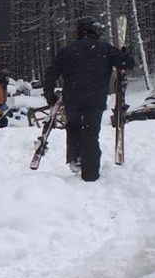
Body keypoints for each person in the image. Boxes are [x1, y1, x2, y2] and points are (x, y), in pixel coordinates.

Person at [43, 16, 135, 181]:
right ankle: (90, 173)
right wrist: (124, 54)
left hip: (72, 99)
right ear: (94, 31)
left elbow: (51, 73)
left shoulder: (67, 50)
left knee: (73, 127)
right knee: (91, 134)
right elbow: (128, 63)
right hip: (95, 100)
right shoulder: (105, 48)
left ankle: (75, 158)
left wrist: (49, 94)